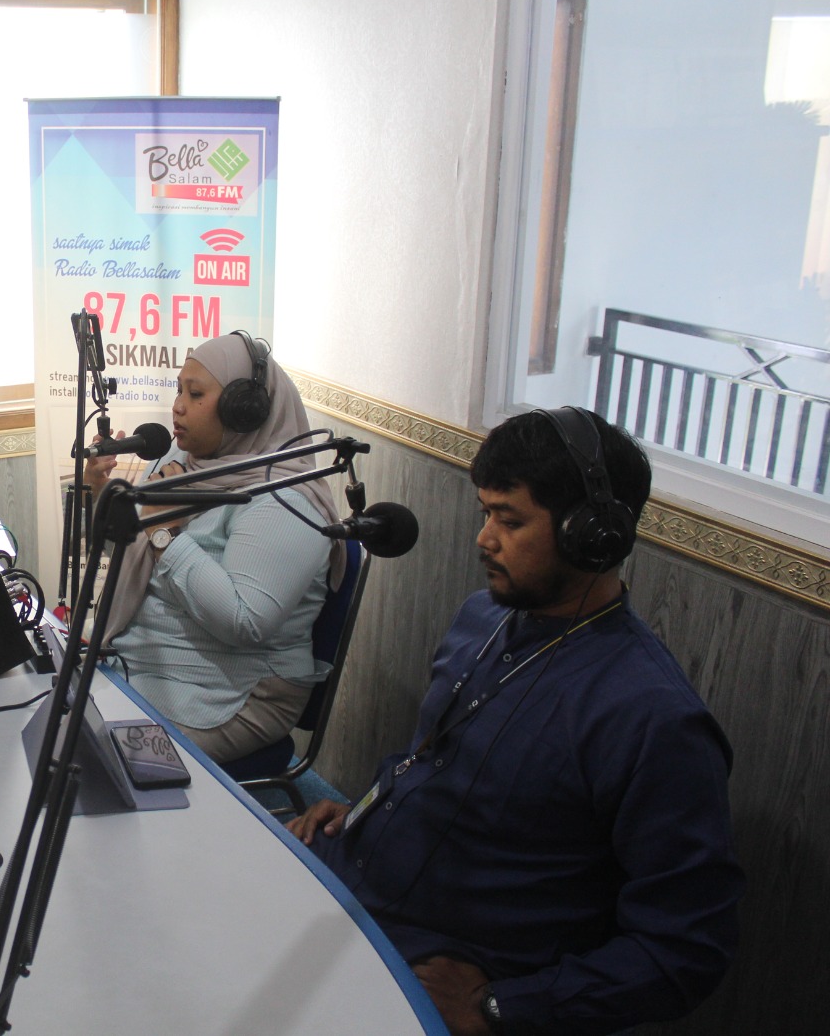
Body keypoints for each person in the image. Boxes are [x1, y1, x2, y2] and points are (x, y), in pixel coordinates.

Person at [289, 408, 743, 1036]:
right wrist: (366, 812)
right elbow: (437, 764)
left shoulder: (652, 717)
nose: (484, 539)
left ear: (592, 536)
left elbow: (686, 949)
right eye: (485, 513)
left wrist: (501, 1006)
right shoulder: (482, 617)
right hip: (347, 882)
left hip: (419, 965)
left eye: (510, 520)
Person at [84, 331, 344, 762]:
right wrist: (99, 494)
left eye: (196, 394)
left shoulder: (285, 502)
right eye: (179, 390)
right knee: (56, 725)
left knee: (96, 761)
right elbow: (135, 557)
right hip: (145, 665)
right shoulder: (183, 465)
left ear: (244, 410)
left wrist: (165, 533)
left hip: (229, 694)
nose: (178, 406)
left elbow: (244, 621)